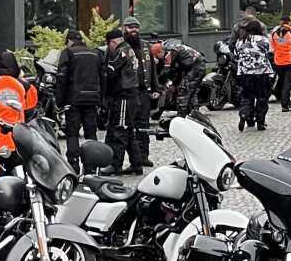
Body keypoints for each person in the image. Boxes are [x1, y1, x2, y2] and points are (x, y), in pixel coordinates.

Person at [53, 28, 105, 168]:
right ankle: (91, 165)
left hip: (73, 100)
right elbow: (103, 77)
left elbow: (62, 78)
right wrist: (101, 99)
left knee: (72, 133)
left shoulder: (68, 53)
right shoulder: (95, 53)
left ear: (69, 41)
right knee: (91, 133)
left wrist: (60, 101)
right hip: (92, 99)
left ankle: (73, 164)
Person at [106, 27, 156, 173]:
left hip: (124, 96)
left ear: (112, 42)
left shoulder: (121, 52)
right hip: (133, 95)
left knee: (120, 131)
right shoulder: (130, 50)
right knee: (128, 132)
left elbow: (110, 72)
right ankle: (136, 163)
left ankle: (115, 165)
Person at [232, 17, 275, 131]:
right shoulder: (263, 40)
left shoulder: (240, 41)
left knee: (246, 96)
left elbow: (236, 55)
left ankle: (245, 115)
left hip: (245, 73)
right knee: (262, 97)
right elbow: (270, 53)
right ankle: (260, 121)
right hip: (261, 73)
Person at [153, 39, 207, 120]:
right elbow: (176, 69)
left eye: (156, 56)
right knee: (191, 92)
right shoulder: (173, 48)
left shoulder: (169, 53)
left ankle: (181, 116)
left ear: (159, 52)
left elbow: (167, 71)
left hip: (194, 68)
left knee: (184, 90)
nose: (157, 58)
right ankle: (194, 114)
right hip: (196, 66)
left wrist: (158, 81)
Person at [270, 14, 291, 112]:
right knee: (287, 83)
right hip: (290, 61)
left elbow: (272, 48)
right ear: (289, 22)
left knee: (282, 80)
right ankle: (285, 104)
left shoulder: (274, 33)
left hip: (278, 61)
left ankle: (285, 100)